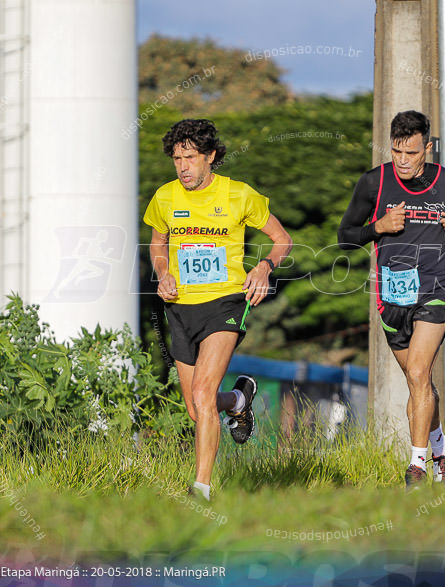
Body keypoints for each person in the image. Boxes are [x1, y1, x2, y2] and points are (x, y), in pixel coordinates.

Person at [144, 119, 293, 500]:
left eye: (190, 158)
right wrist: (162, 273)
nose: (183, 167)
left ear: (210, 156)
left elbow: (281, 239)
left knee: (204, 392)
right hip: (179, 306)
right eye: (177, 159)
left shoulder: (239, 195)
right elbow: (157, 244)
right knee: (199, 408)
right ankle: (239, 401)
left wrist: (264, 267)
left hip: (225, 302)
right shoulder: (165, 198)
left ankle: (201, 488)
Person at [337, 110, 445, 490]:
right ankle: (442, 447)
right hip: (392, 297)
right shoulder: (374, 183)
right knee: (420, 387)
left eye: (411, 152)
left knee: (418, 373)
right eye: (397, 151)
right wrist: (377, 228)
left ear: (427, 148)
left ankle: (417, 466)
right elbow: (345, 236)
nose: (402, 160)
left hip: (437, 289)